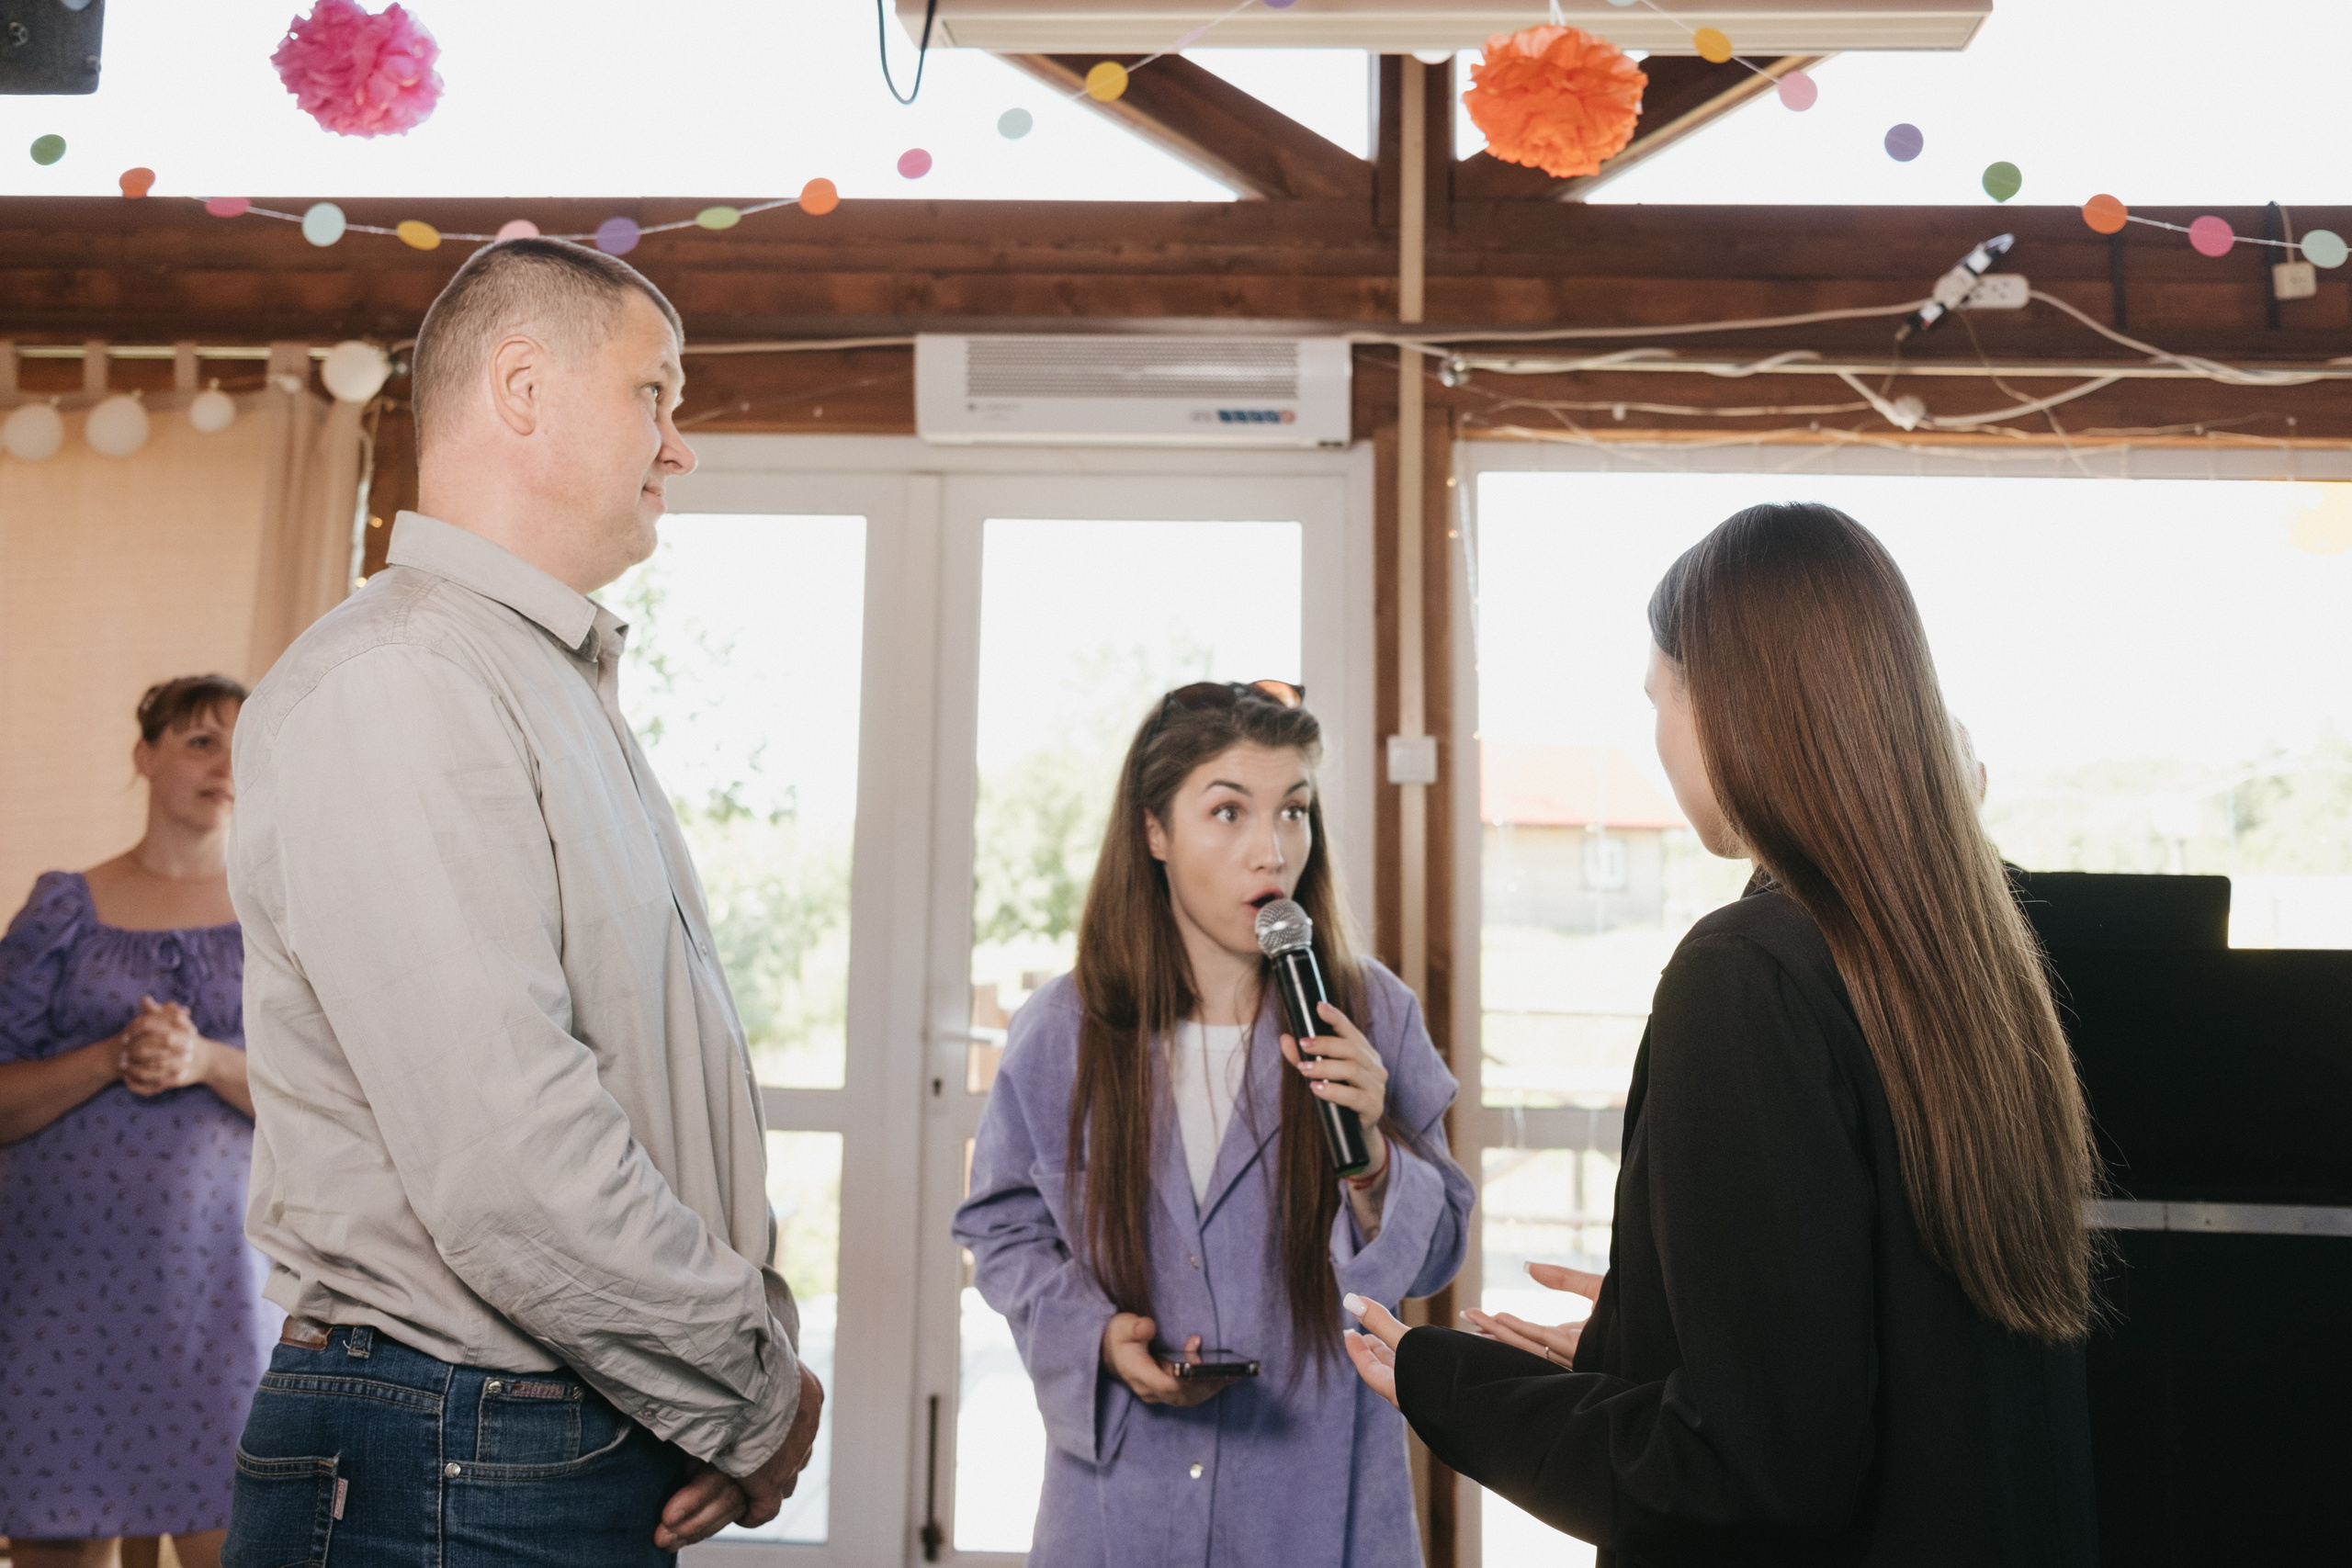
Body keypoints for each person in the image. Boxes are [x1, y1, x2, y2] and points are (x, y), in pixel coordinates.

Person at [1345, 503, 2100, 1566]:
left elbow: (1746, 1478)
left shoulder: (1746, 974)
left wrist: (1452, 1384)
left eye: (1658, 695)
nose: (1656, 736)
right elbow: (1907, 1336)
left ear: (1729, 706)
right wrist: (1654, 1332)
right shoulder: (1969, 958)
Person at [223, 237, 820, 1568]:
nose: (681, 446)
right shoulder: (400, 681)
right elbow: (510, 1158)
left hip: (540, 1427)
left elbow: (644, 1088)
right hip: (454, 1434)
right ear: (522, 388)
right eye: (654, 393)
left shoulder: (536, 675)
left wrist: (716, 1383)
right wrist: (751, 1383)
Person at [954, 680, 1476, 1568]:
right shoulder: (1061, 1029)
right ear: (1154, 831)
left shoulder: (1372, 1012)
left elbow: (1437, 1256)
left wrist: (1375, 1158)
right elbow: (1001, 1229)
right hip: (1120, 1511)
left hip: (1320, 1515)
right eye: (1228, 812)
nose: (1271, 850)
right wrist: (1093, 1334)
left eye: (1294, 812)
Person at [1, 675, 269, 1568]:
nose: (224, 764)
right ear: (144, 755)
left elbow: (331, 1104)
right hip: (59, 1294)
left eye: (241, 744)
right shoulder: (62, 910)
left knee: (229, 1543)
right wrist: (113, 1054)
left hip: (219, 1293)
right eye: (200, 741)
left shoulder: (282, 919)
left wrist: (206, 1061)